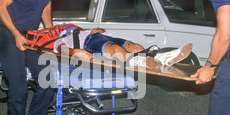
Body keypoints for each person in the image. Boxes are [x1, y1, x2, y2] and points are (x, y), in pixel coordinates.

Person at [52, 26, 192, 69]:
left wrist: (99, 29)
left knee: (132, 46)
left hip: (103, 36)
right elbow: (68, 52)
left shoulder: (77, 30)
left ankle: (158, 56)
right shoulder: (58, 41)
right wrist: (85, 55)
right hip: (89, 43)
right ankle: (140, 61)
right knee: (116, 50)